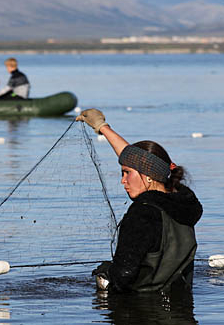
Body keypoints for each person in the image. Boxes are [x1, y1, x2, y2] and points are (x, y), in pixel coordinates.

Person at [76, 109, 202, 294]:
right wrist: (103, 128)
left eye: (126, 173)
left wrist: (105, 275)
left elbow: (123, 276)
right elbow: (144, 163)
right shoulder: (183, 204)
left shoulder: (143, 214)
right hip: (181, 309)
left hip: (142, 313)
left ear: (149, 176)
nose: (122, 180)